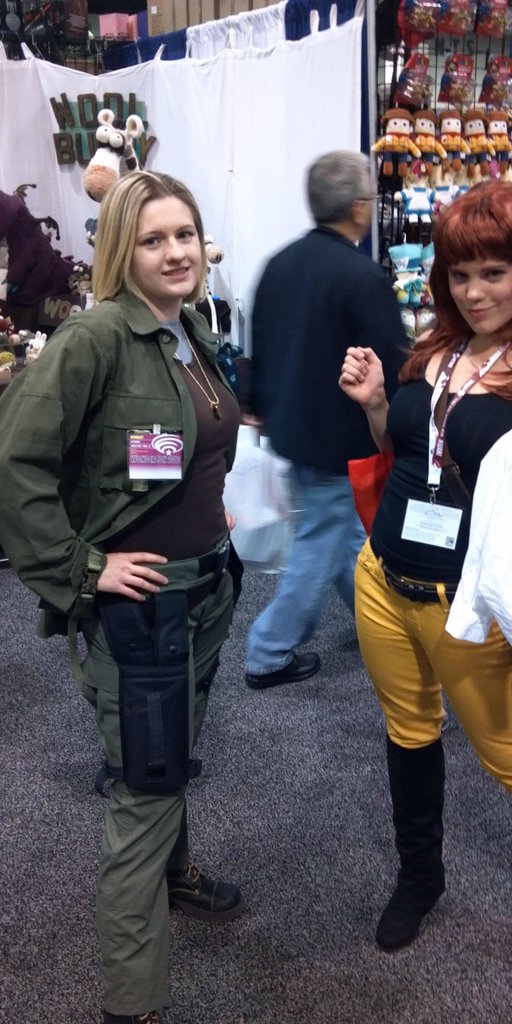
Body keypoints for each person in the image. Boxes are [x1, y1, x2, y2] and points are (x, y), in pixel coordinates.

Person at [0, 172, 245, 1024]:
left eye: (185, 234)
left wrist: (209, 503)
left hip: (207, 589)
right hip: (144, 608)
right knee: (146, 788)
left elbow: (172, 447)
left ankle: (176, 875)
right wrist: (80, 568)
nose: (176, 252)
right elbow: (16, 464)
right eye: (153, 239)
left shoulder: (186, 329)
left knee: (173, 750)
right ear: (120, 250)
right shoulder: (95, 337)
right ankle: (130, 1004)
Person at [339, 180, 512, 981]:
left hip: (468, 604)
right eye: (460, 274)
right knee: (408, 732)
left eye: (493, 273)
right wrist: (377, 402)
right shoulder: (435, 351)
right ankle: (420, 878)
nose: (475, 293)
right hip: (383, 578)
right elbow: (405, 450)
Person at [244, 150, 407, 689]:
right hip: (341, 439)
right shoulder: (363, 276)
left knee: (344, 535)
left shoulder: (280, 263)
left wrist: (259, 407)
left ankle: (374, 620)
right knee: (323, 537)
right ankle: (268, 651)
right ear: (360, 207)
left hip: (293, 429)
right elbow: (389, 363)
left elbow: (258, 345)